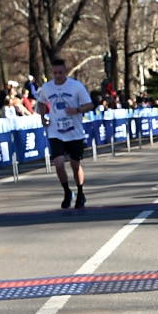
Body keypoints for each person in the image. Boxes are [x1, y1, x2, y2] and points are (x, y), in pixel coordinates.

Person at [36, 58, 93, 211]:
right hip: (55, 131)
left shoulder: (76, 86)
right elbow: (41, 102)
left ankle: (80, 193)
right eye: (55, 73)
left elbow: (90, 104)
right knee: (59, 163)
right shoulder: (47, 88)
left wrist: (77, 110)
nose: (58, 75)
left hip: (74, 132)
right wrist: (43, 117)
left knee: (75, 165)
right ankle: (67, 192)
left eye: (60, 72)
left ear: (65, 71)